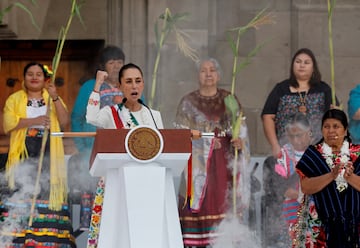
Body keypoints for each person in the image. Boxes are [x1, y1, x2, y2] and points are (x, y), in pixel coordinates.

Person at [174, 58, 250, 248]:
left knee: (224, 203)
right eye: (203, 70)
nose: (208, 74)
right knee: (198, 204)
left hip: (224, 164)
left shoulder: (229, 99)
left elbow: (241, 130)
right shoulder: (188, 102)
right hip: (198, 166)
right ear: (197, 75)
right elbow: (180, 136)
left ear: (219, 74)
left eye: (212, 70)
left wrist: (239, 141)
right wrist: (204, 141)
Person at [85, 63, 163, 248]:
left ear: (143, 84)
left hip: (146, 183)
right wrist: (97, 86)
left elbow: (162, 148)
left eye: (138, 81)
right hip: (116, 181)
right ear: (120, 86)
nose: (134, 86)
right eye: (128, 82)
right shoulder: (111, 113)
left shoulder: (154, 116)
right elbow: (90, 117)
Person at [0, 62, 76, 247]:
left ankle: (47, 241)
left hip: (49, 152)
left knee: (47, 192)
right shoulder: (15, 98)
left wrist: (55, 97)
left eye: (38, 74)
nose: (34, 77)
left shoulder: (50, 98)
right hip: (23, 153)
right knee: (21, 191)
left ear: (45, 79)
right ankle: (17, 239)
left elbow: (65, 121)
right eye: (30, 74)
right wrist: (36, 120)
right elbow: (8, 124)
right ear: (24, 78)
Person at [69, 45, 125, 230]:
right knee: (95, 192)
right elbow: (77, 116)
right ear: (103, 65)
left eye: (119, 62)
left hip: (123, 152)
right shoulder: (90, 86)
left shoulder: (129, 86)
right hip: (94, 150)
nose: (116, 66)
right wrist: (83, 146)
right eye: (112, 62)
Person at [293, 109, 360, 247]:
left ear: (345, 130)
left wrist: (350, 177)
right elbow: (305, 187)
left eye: (336, 126)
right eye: (326, 126)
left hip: (354, 225)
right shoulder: (313, 154)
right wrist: (331, 175)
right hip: (319, 224)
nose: (331, 131)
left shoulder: (357, 153)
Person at [262, 48, 338, 157]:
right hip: (286, 149)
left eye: (306, 63)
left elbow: (334, 117)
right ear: (292, 65)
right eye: (298, 62)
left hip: (318, 150)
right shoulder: (281, 89)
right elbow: (267, 117)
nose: (302, 65)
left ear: (313, 68)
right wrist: (275, 145)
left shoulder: (323, 89)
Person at [265, 112, 312, 247]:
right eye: (292, 136)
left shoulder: (320, 153)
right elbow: (283, 189)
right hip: (291, 217)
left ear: (309, 132)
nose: (296, 140)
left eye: (300, 135)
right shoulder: (282, 156)